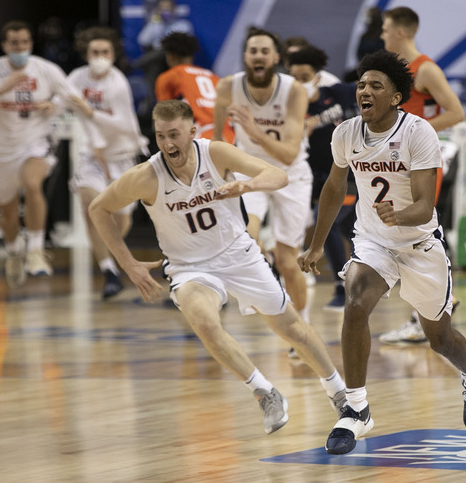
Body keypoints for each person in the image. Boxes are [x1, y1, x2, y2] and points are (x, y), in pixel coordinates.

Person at [88, 100, 347, 434]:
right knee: (205, 324)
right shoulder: (146, 176)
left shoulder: (216, 153)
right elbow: (98, 208)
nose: (167, 144)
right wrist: (128, 265)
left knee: (292, 328)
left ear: (192, 132)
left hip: (239, 254)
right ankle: (264, 392)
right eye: (160, 136)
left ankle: (338, 390)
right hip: (189, 267)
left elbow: (278, 175)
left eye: (174, 135)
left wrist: (247, 185)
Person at [298, 50, 466, 455]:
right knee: (355, 303)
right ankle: (356, 410)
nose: (364, 91)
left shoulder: (419, 132)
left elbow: (425, 205)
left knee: (439, 339)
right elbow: (334, 188)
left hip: (420, 243)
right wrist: (317, 243)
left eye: (375, 86)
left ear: (395, 98)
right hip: (374, 241)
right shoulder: (346, 133)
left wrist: (398, 214)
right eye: (361, 85)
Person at [213, 27, 313, 358]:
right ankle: (255, 269)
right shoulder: (228, 86)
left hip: (290, 176)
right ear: (245, 57)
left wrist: (254, 131)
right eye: (252, 50)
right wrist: (216, 176)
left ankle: (303, 322)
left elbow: (287, 154)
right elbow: (217, 141)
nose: (258, 55)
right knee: (247, 237)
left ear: (275, 58)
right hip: (250, 173)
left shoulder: (293, 91)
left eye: (264, 51)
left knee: (288, 263)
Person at [379, 6, 466, 345]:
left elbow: (457, 112)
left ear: (400, 32)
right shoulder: (394, 70)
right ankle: (438, 302)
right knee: (403, 234)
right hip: (397, 163)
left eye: (386, 29)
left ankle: (425, 313)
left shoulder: (425, 68)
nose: (383, 35)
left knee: (417, 231)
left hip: (422, 161)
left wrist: (415, 131)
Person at [0, 20, 97, 288]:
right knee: (8, 212)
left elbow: (72, 96)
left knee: (33, 183)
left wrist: (55, 104)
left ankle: (36, 251)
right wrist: (2, 87)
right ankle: (15, 252)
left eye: (25, 42)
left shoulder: (46, 69)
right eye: (14, 43)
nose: (20, 47)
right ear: (4, 46)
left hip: (36, 142)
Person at [67, 26, 150, 300]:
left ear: (113, 55)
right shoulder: (77, 77)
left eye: (105, 52)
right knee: (92, 209)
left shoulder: (118, 83)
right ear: (86, 54)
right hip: (91, 156)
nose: (100, 56)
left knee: (119, 218)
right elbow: (62, 99)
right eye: (95, 52)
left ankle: (113, 256)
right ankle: (109, 272)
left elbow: (124, 126)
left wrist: (91, 112)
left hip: (121, 155)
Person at [287, 45, 358, 311]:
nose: (299, 83)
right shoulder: (289, 109)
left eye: (304, 77)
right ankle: (362, 280)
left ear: (317, 76)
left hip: (349, 175)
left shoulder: (338, 93)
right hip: (316, 179)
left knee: (324, 223)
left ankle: (343, 287)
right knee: (349, 228)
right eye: (294, 78)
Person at [156, 32, 235, 143]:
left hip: (202, 137)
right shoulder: (214, 77)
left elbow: (164, 118)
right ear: (192, 55)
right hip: (231, 135)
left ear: (170, 56)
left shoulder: (169, 77)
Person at [135, 0, 194, 106]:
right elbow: (142, 40)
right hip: (158, 61)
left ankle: (135, 64)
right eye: (162, 8)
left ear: (174, 10)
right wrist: (155, 22)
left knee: (164, 50)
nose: (165, 11)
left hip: (175, 58)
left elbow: (181, 44)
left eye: (168, 8)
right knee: (154, 65)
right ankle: (154, 104)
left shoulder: (182, 24)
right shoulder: (155, 24)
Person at [344, 7, 385, 82]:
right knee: (348, 77)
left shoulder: (383, 36)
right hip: (364, 67)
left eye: (368, 16)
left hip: (380, 69)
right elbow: (358, 53)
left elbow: (384, 54)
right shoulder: (364, 36)